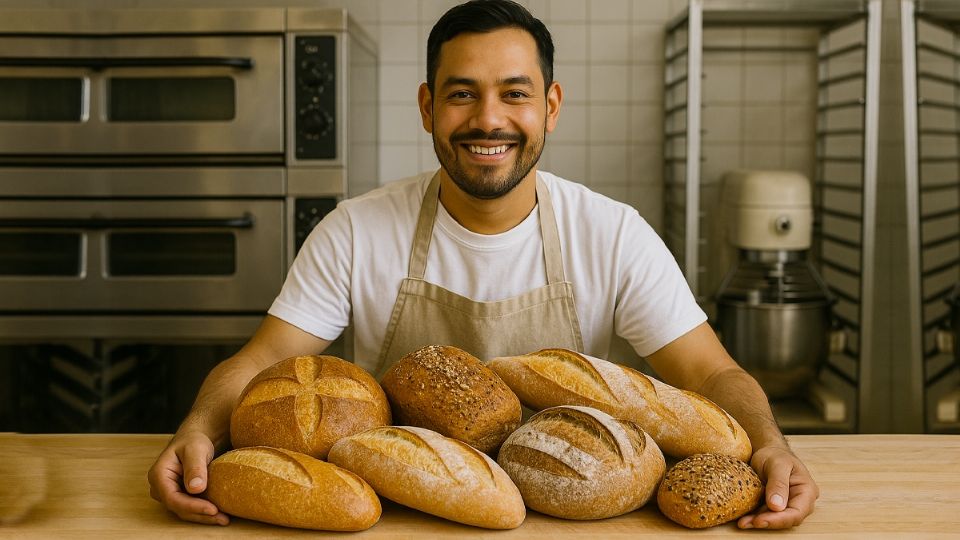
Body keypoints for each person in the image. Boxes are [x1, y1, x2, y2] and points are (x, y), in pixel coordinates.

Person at [148, 0, 818, 530]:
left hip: (564, 520)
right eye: (462, 94)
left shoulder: (612, 234)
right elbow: (265, 358)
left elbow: (709, 372)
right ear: (428, 108)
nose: (488, 119)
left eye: (514, 94)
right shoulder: (356, 230)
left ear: (550, 107)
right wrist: (199, 428)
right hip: (397, 516)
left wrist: (768, 445)